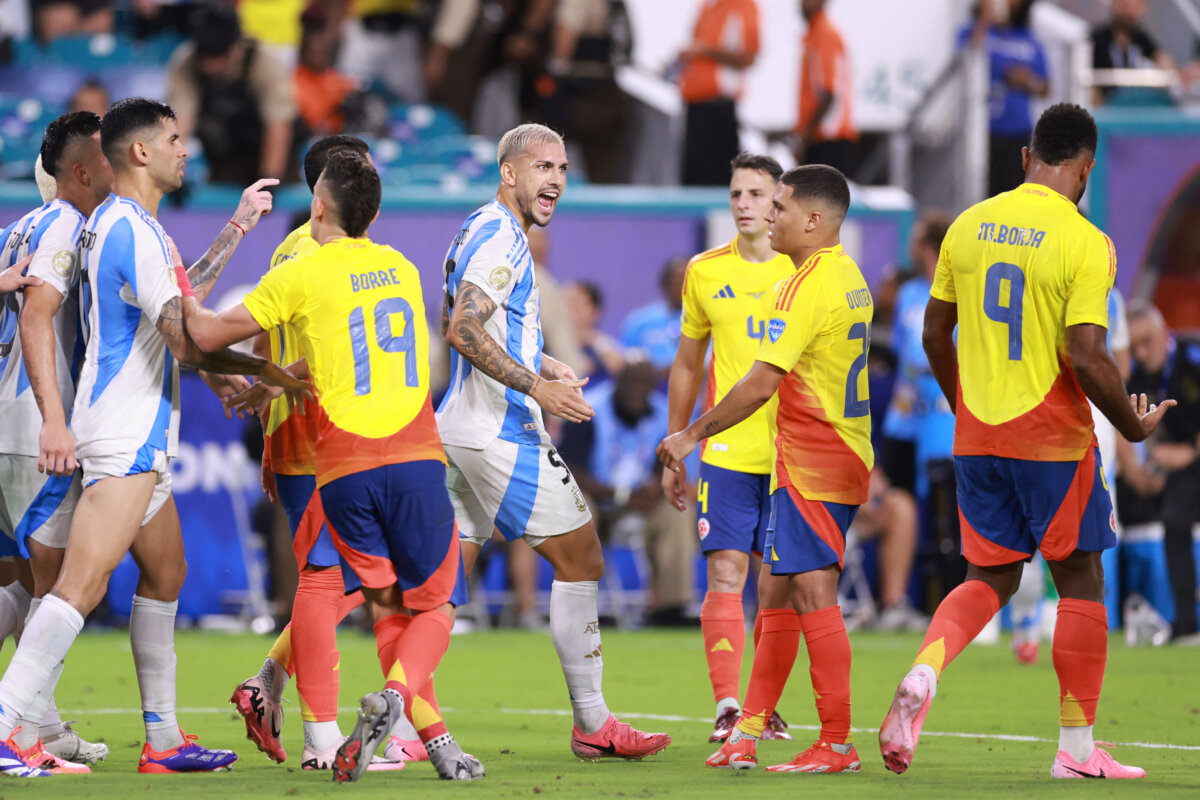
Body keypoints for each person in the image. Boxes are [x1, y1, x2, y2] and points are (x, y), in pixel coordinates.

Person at [0, 97, 304, 779]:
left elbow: (175, 312)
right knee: (76, 587)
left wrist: (236, 229)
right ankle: (7, 727)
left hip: (142, 431)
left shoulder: (127, 225)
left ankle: (163, 741)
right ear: (140, 151)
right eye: (173, 138)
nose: (184, 148)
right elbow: (189, 336)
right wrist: (268, 370)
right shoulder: (129, 230)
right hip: (122, 432)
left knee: (167, 572)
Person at [877, 103, 1172, 780]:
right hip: (1053, 440)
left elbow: (931, 335)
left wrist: (965, 409)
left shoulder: (967, 226)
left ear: (1025, 159)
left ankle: (926, 669)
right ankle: (1075, 751)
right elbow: (1089, 355)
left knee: (989, 576)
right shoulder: (1085, 241)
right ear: (1086, 169)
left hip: (977, 437)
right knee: (1081, 581)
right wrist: (1133, 426)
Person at [182, 151, 485, 784]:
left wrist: (176, 283)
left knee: (326, 584)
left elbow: (206, 334)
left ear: (319, 203)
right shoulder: (401, 268)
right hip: (414, 452)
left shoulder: (299, 268)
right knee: (426, 605)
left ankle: (330, 733)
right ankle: (401, 710)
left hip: (341, 459)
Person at [438, 122, 671, 759]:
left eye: (563, 169)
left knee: (440, 584)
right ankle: (593, 723)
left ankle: (400, 721)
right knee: (583, 559)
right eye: (543, 167)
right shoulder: (505, 237)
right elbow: (461, 328)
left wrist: (536, 360)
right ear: (508, 172)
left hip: (458, 425)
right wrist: (536, 390)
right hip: (499, 431)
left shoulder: (478, 227)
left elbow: (455, 319)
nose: (556, 181)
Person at [227, 135, 437, 771]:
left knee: (365, 581)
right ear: (325, 189)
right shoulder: (308, 253)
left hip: (327, 433)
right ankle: (335, 734)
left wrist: (269, 378)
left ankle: (276, 685)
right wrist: (269, 382)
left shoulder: (319, 252)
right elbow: (305, 343)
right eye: (358, 171)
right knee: (340, 581)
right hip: (317, 438)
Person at [661, 163, 873, 774]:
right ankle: (747, 729)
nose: (767, 215)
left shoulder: (804, 285)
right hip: (821, 454)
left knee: (810, 591)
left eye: (777, 205)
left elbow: (760, 382)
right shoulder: (845, 273)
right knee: (775, 593)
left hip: (815, 460)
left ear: (812, 218)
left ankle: (836, 740)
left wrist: (689, 435)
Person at [661, 152, 795, 740]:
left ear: (778, 203)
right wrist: (676, 443)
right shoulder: (705, 271)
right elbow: (688, 363)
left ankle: (763, 706)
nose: (743, 204)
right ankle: (727, 704)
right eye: (736, 193)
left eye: (755, 195)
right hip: (726, 452)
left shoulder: (801, 272)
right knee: (725, 575)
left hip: (793, 452)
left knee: (777, 586)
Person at [0, 112, 113, 773]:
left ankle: (39, 724)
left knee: (19, 578)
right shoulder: (71, 226)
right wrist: (54, 418)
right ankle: (19, 736)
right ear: (80, 168)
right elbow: (42, 314)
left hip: (6, 420)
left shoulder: (22, 224)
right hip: (37, 423)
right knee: (58, 585)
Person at [559, 359, 697, 626]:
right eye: (630, 382)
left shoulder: (662, 413)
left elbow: (668, 464)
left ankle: (671, 608)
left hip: (640, 502)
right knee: (577, 505)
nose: (636, 390)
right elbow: (570, 469)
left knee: (675, 509)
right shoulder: (589, 409)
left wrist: (656, 489)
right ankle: (585, 609)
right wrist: (621, 495)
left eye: (644, 384)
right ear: (617, 383)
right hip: (598, 502)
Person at [1125, 300, 1200, 644]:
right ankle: (1185, 623)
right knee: (1174, 520)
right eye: (1134, 345)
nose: (1141, 352)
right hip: (1183, 464)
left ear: (1163, 331)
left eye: (1146, 342)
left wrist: (1189, 452)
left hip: (1192, 454)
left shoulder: (1193, 358)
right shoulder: (1139, 376)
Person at [166, 2, 296, 184]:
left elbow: (278, 125)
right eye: (204, 54)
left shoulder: (266, 62)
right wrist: (174, 173)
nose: (210, 66)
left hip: (273, 153)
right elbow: (180, 124)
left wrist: (269, 178)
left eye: (218, 54)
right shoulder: (185, 63)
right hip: (224, 157)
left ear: (237, 46)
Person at [960, 0, 1049, 197]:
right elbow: (966, 53)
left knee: (1012, 190)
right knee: (980, 189)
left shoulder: (1028, 40)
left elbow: (1045, 86)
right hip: (981, 128)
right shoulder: (976, 32)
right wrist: (984, 19)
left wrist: (1028, 80)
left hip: (1017, 130)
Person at [677, 0, 760, 186]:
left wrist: (705, 50)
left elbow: (748, 56)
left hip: (718, 109)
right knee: (693, 180)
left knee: (716, 180)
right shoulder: (709, 7)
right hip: (695, 106)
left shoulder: (743, 6)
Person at [795, 0, 858, 178]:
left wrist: (804, 138)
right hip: (823, 141)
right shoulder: (816, 34)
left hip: (829, 144)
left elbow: (829, 93)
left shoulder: (824, 34)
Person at [621, 257, 688, 371]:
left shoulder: (706, 321)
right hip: (648, 385)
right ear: (665, 284)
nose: (683, 288)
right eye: (678, 282)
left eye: (687, 282)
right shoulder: (640, 321)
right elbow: (626, 360)